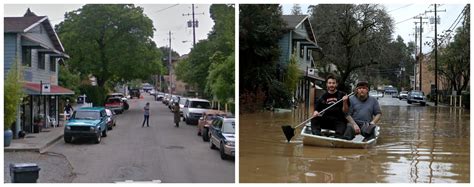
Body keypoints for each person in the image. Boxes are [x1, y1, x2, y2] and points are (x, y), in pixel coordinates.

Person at [311, 74, 352, 140]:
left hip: (339, 121)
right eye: (329, 83)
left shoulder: (343, 95)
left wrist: (344, 102)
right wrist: (315, 112)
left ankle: (338, 136)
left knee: (341, 128)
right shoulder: (323, 96)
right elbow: (316, 109)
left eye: (333, 83)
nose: (331, 85)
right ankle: (317, 135)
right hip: (326, 120)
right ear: (327, 84)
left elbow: (346, 111)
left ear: (336, 84)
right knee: (314, 118)